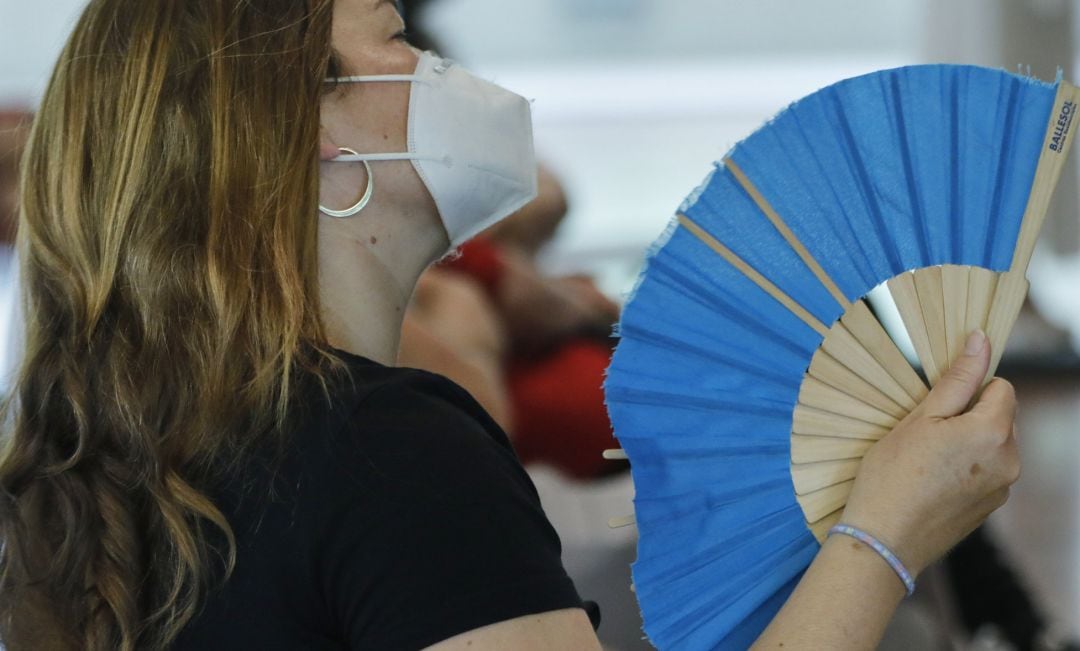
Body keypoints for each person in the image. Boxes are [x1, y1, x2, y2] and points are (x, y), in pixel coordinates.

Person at [0, 2, 1019, 650]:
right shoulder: (385, 452)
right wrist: (887, 534)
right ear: (315, 142)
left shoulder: (111, 446)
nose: (442, 69)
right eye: (398, 37)